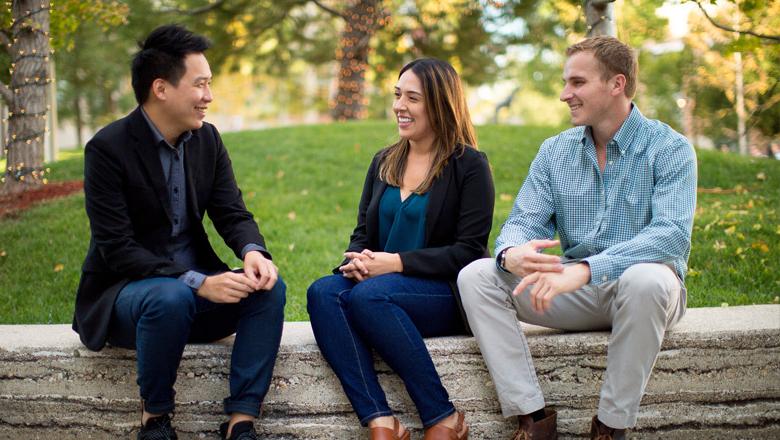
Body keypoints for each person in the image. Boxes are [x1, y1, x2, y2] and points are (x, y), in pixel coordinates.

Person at [457, 36, 697, 440]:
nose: (566, 94)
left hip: (641, 294)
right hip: (574, 292)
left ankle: (609, 427)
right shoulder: (555, 152)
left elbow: (670, 237)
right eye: (566, 83)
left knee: (648, 279)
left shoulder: (670, 148)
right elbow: (523, 221)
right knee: (477, 275)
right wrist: (512, 253)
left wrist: (586, 270)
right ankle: (533, 420)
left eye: (578, 83)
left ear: (616, 84)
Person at [72, 24, 285, 440]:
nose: (209, 96)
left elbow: (231, 212)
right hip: (128, 298)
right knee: (170, 296)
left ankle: (241, 422)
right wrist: (197, 283)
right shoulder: (107, 149)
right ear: (161, 89)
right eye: (200, 84)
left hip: (195, 298)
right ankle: (155, 418)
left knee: (269, 289)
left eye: (210, 85)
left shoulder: (207, 140)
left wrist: (253, 252)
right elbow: (117, 249)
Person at [306, 58, 494, 440]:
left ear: (440, 104)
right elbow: (362, 234)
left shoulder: (469, 166)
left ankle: (442, 415)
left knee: (371, 297)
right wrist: (356, 261)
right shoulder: (384, 161)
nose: (399, 106)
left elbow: (469, 251)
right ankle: (381, 420)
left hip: (442, 293)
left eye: (412, 98)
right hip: (378, 288)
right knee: (323, 291)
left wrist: (394, 263)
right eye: (397, 95)